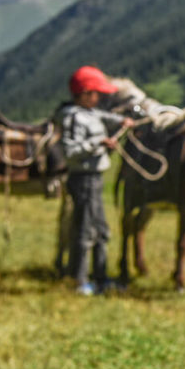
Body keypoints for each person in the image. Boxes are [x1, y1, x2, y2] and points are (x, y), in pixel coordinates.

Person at [55, 65, 134, 295]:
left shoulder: (90, 113)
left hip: (95, 179)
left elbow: (105, 117)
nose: (98, 97)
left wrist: (122, 122)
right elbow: (70, 151)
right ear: (84, 93)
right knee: (86, 230)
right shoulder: (73, 118)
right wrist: (98, 144)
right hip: (84, 180)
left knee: (101, 229)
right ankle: (80, 281)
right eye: (95, 93)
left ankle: (100, 278)